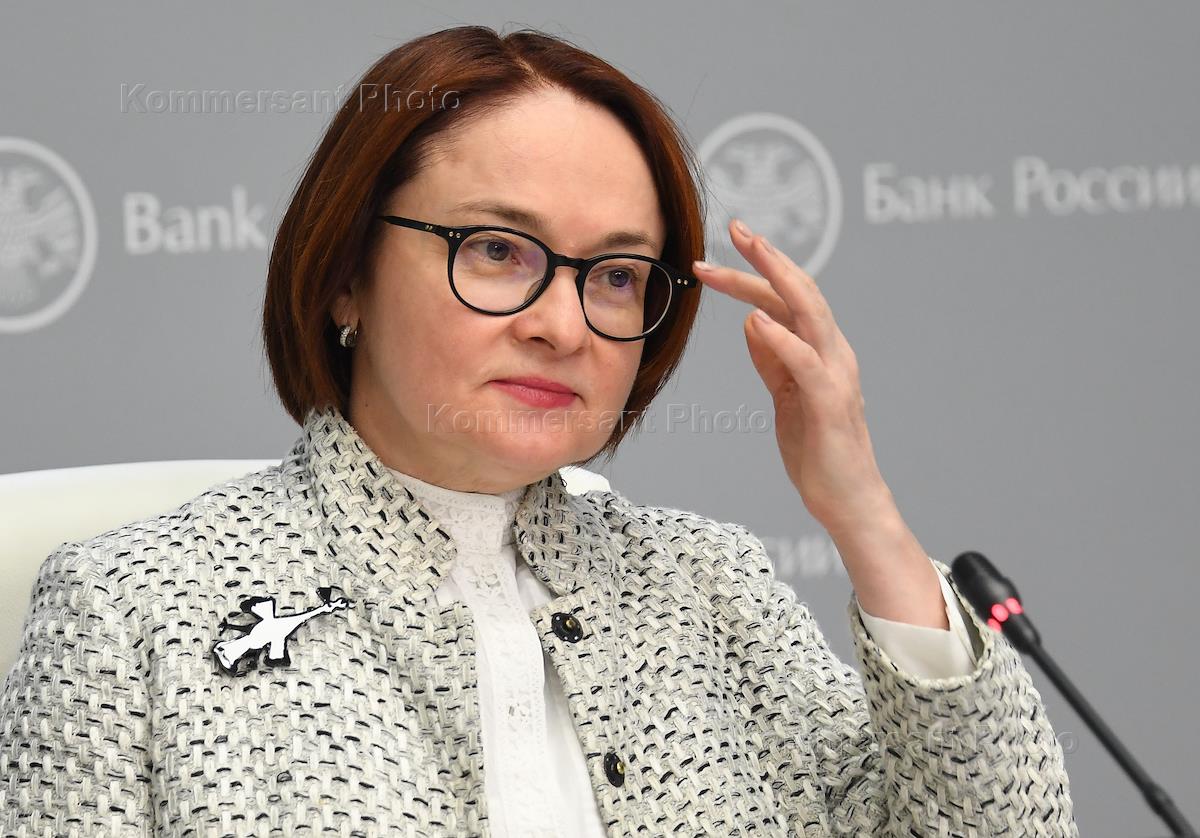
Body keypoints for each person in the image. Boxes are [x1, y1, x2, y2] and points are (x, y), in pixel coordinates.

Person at [0, 25, 1078, 837]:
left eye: (613, 275)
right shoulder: (129, 609)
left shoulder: (713, 591)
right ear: (345, 274)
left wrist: (862, 514)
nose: (562, 325)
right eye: (497, 251)